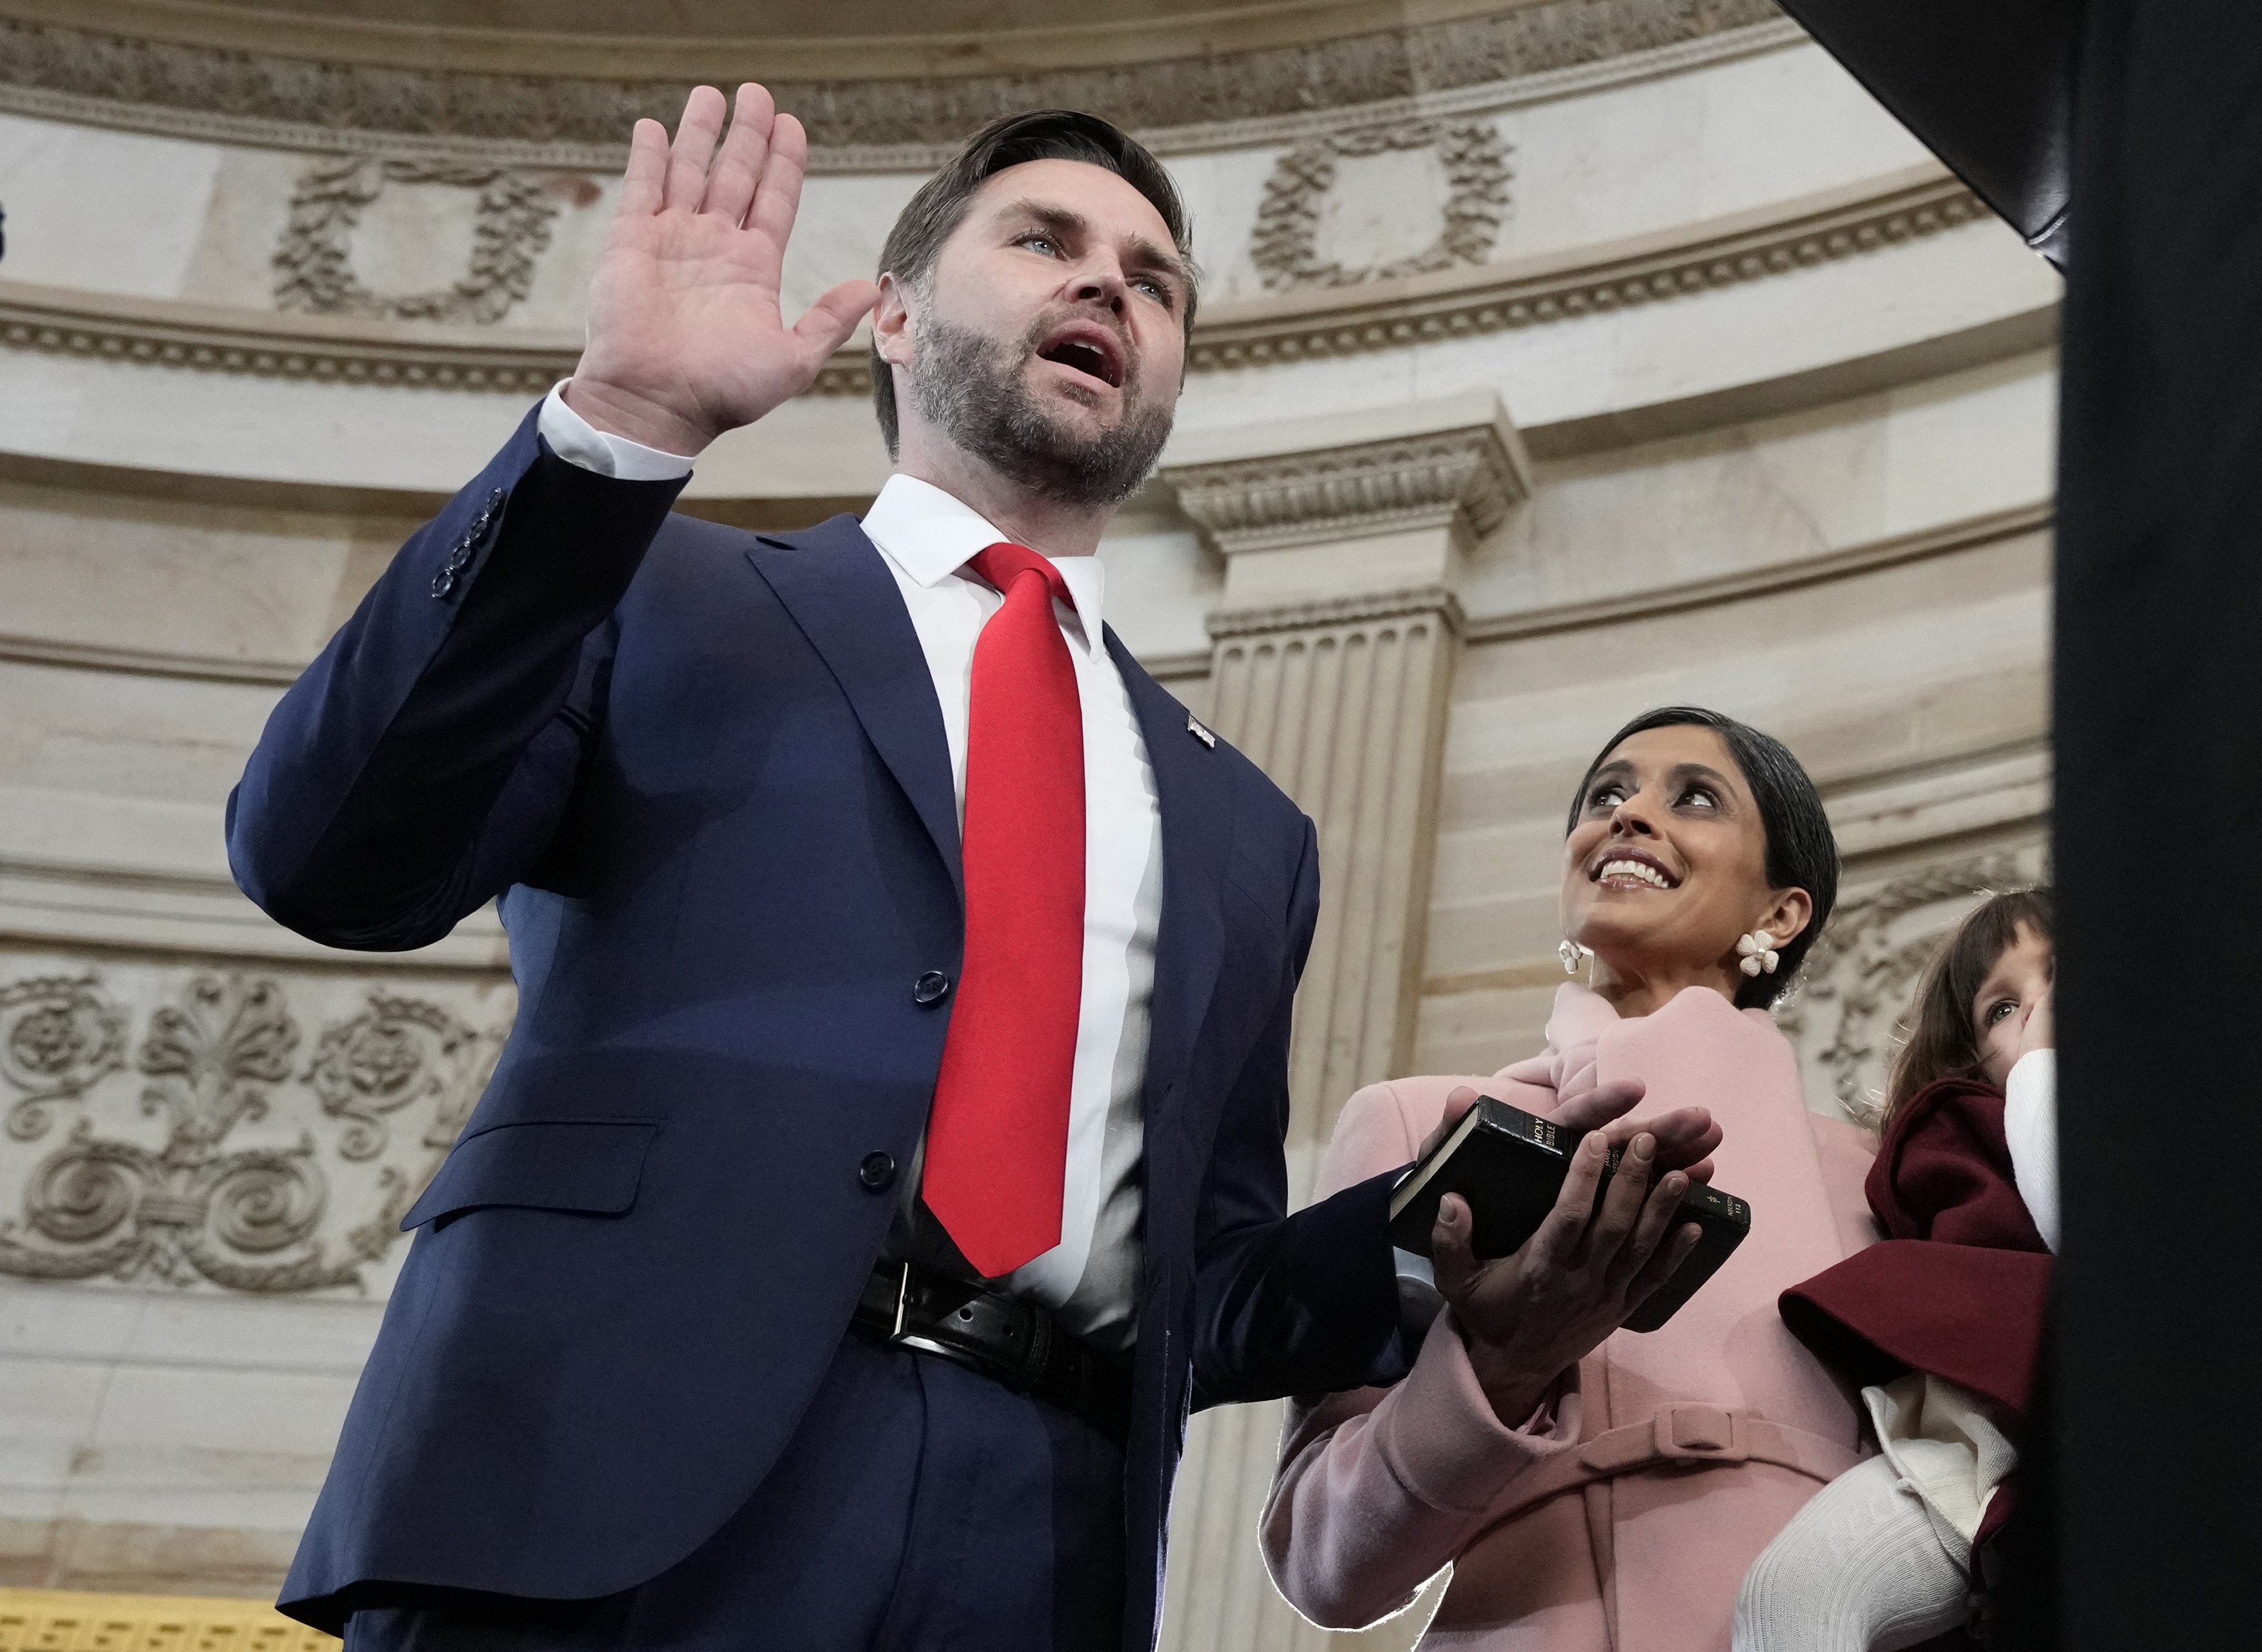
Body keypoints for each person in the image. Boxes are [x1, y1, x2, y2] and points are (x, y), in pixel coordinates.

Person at [227, 92, 1717, 1651]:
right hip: (595, 1487)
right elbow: (328, 858)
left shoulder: (1247, 827)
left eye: (1154, 282)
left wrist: (1466, 1234)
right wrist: (620, 424)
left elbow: (1201, 1285)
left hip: (1037, 1542)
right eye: (1043, 241)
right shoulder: (661, 586)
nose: (1107, 289)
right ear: (890, 315)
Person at [1260, 706, 1878, 1651]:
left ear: (1781, 912)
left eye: (1695, 798)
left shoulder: (1873, 1178)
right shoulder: (1416, 1126)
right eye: (1606, 796)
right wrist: (1499, 1372)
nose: (1627, 816)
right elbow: (1322, 1564)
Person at [1737, 889, 2057, 1651]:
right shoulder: (1960, 1134)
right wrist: (2045, 1071)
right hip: (1976, 1449)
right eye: (2003, 1008)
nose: (2046, 1005)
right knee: (1794, 1593)